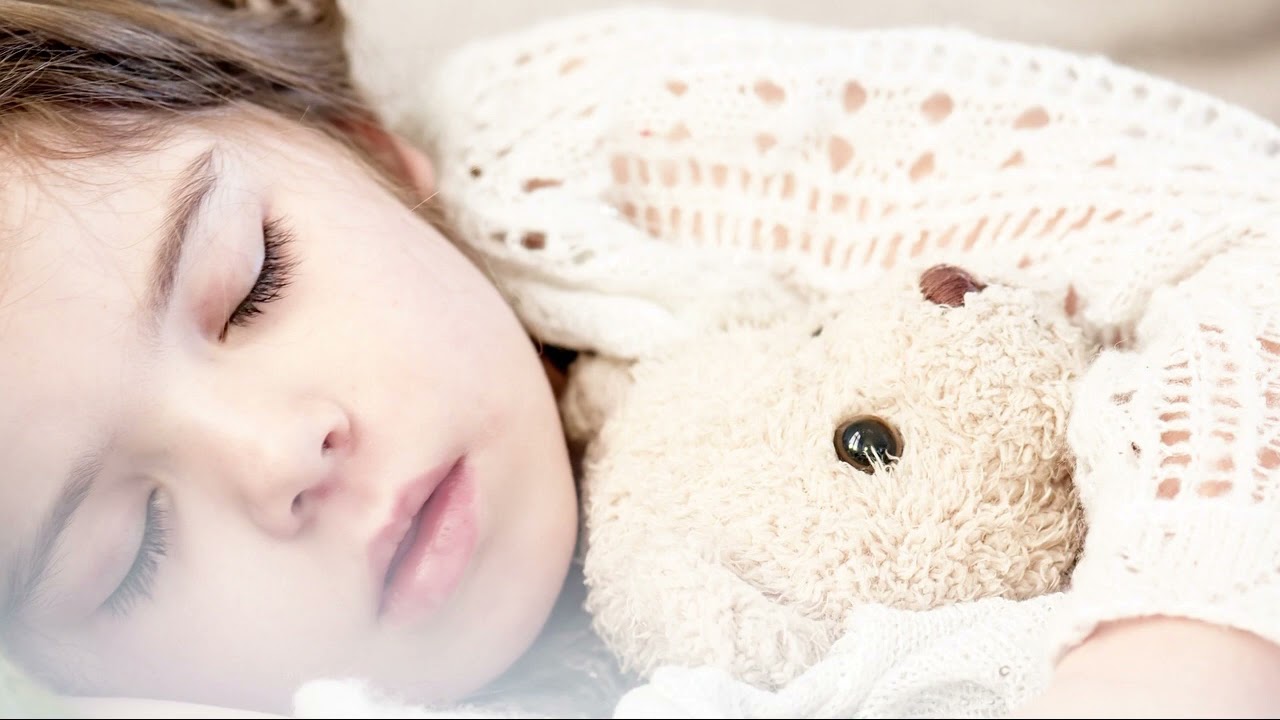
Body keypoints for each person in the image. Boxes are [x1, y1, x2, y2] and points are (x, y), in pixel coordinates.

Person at [0, 1, 1278, 717]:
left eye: (254, 284)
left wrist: (1182, 640)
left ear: (364, 146)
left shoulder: (587, 145)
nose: (282, 453)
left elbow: (1233, 228)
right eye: (129, 551)